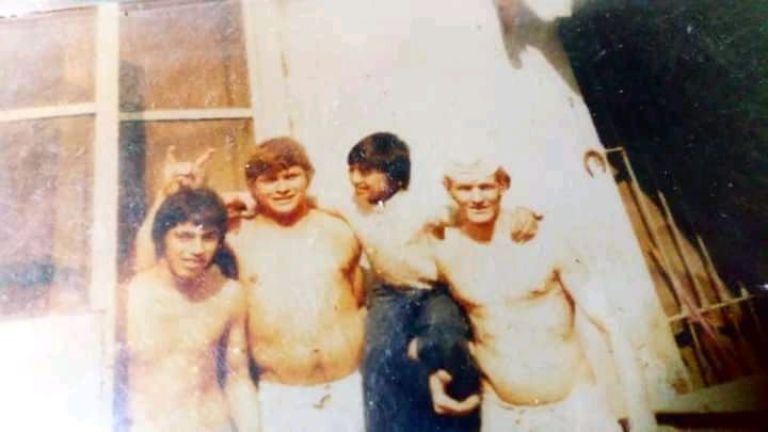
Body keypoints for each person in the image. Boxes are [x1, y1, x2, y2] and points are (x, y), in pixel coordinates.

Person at [429, 160, 657, 431]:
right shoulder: (445, 252)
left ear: (503, 185)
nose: (476, 198)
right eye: (465, 188)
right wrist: (433, 374)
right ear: (449, 189)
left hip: (575, 407)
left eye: (486, 186)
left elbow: (612, 324)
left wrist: (643, 420)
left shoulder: (546, 241)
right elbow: (437, 322)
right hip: (503, 413)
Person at [339, 132, 539, 432]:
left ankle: (462, 418)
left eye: (365, 171)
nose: (356, 179)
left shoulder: (421, 205)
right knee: (378, 356)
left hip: (434, 291)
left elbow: (474, 210)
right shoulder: (354, 206)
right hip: (389, 293)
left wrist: (524, 214)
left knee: (446, 339)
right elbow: (315, 200)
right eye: (352, 170)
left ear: (393, 174)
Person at [227, 137, 366, 432]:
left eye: (291, 176)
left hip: (347, 390)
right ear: (252, 186)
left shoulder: (338, 229)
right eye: (269, 180)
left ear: (308, 177)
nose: (282, 188)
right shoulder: (237, 238)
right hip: (283, 397)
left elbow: (357, 298)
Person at [125, 187, 258, 432]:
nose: (197, 249)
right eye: (184, 236)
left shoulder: (228, 294)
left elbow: (238, 378)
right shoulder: (131, 296)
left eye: (208, 237)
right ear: (162, 238)